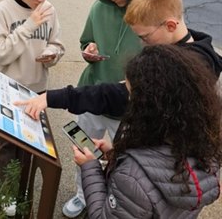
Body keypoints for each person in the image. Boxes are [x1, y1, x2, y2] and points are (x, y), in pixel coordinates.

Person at [14, 0, 222, 120]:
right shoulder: (195, 49)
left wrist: (51, 98)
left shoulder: (178, 67)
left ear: (170, 25)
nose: (142, 45)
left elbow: (117, 94)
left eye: (145, 37)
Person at [73, 44, 222, 218]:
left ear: (150, 105)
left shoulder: (130, 176)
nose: (128, 99)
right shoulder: (209, 148)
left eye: (132, 94)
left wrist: (89, 168)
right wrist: (115, 155)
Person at [60, 0, 150, 217]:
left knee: (124, 159)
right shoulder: (99, 9)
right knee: (84, 148)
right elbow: (86, 40)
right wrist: (88, 52)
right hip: (94, 95)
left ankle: (111, 198)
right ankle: (82, 194)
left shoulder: (150, 14)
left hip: (130, 104)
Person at [0, 0, 65, 216]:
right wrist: (29, 25)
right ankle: (5, 193)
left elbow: (57, 44)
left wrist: (52, 54)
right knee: (7, 148)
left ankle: (23, 194)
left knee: (31, 147)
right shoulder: (4, 10)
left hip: (37, 91)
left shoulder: (50, 10)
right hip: (8, 88)